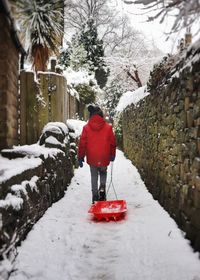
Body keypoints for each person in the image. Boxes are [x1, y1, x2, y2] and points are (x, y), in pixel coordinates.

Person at [78, 104, 117, 204]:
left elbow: (82, 143)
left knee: (94, 176)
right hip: (104, 156)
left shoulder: (86, 128)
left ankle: (95, 196)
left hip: (92, 157)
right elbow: (113, 142)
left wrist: (80, 156)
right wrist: (112, 154)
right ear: (101, 116)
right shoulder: (108, 128)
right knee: (103, 172)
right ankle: (102, 189)